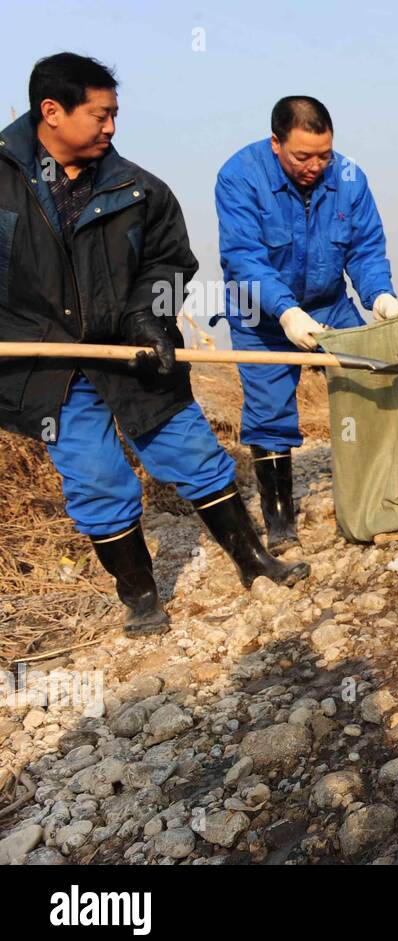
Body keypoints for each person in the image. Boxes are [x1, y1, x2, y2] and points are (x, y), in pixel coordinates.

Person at [0, 54, 306, 637]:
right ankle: (140, 597)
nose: (112, 126)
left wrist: (148, 317)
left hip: (133, 353)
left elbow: (170, 263)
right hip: (46, 367)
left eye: (114, 114)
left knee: (192, 452)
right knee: (94, 477)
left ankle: (254, 561)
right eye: (101, 115)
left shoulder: (139, 190)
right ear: (52, 112)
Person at [215, 95, 398, 553]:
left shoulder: (349, 177)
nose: (315, 166)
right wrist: (286, 311)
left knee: (369, 381)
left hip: (329, 304)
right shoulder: (239, 176)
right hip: (263, 314)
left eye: (324, 155)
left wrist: (381, 297)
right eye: (302, 157)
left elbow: (365, 248)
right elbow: (244, 257)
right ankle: (280, 521)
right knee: (270, 412)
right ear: (276, 143)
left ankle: (378, 493)